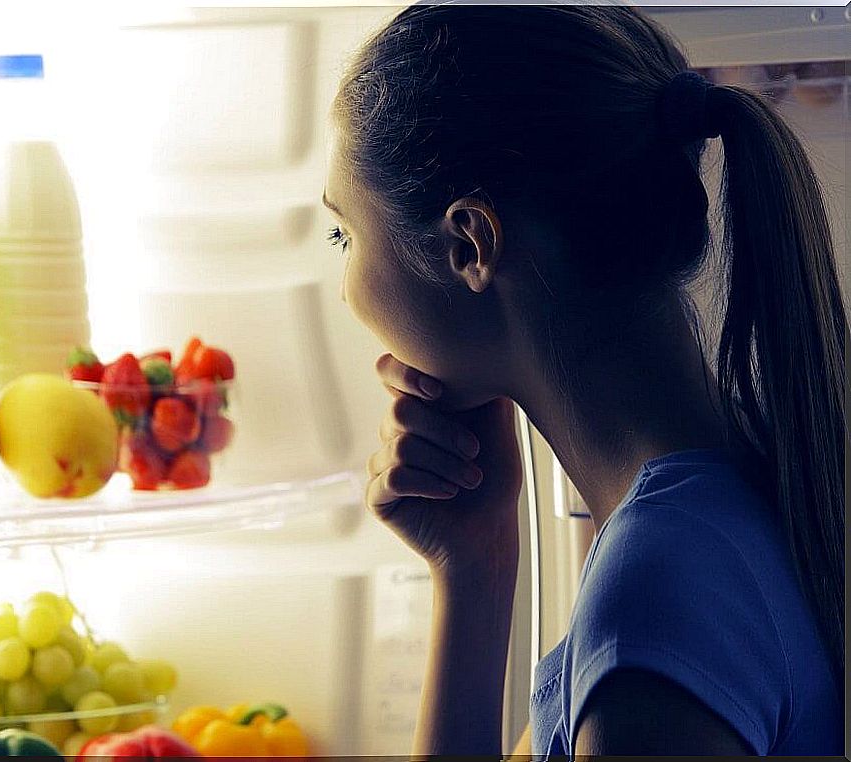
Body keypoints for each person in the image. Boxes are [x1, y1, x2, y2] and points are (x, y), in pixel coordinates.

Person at [322, 2, 846, 757]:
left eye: (346, 233)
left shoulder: (655, 595)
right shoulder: (728, 495)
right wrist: (473, 564)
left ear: (470, 244)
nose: (345, 288)